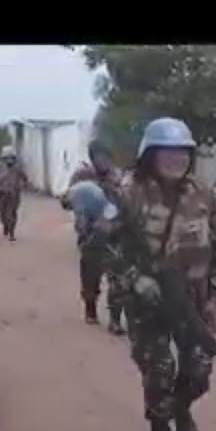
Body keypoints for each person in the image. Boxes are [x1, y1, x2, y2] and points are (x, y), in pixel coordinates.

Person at [106, 118, 216, 431]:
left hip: (193, 299)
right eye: (167, 153)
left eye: (183, 153)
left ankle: (181, 409)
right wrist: (134, 279)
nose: (176, 160)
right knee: (159, 371)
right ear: (150, 155)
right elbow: (103, 244)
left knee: (199, 372)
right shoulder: (127, 193)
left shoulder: (203, 195)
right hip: (148, 300)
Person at [62, 140, 128, 333]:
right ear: (92, 158)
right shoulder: (82, 176)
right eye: (99, 157)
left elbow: (128, 203)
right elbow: (66, 200)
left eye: (106, 157)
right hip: (90, 235)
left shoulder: (118, 178)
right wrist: (77, 200)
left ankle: (115, 319)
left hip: (115, 235)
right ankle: (90, 310)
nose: (103, 161)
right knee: (90, 277)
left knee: (118, 279)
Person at [0, 146, 28, 241]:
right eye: (7, 158)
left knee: (11, 213)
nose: (9, 160)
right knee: (1, 213)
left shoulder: (18, 168)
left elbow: (25, 178)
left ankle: (12, 233)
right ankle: (6, 226)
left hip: (14, 194)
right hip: (2, 193)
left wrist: (21, 186)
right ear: (3, 158)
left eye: (11, 157)